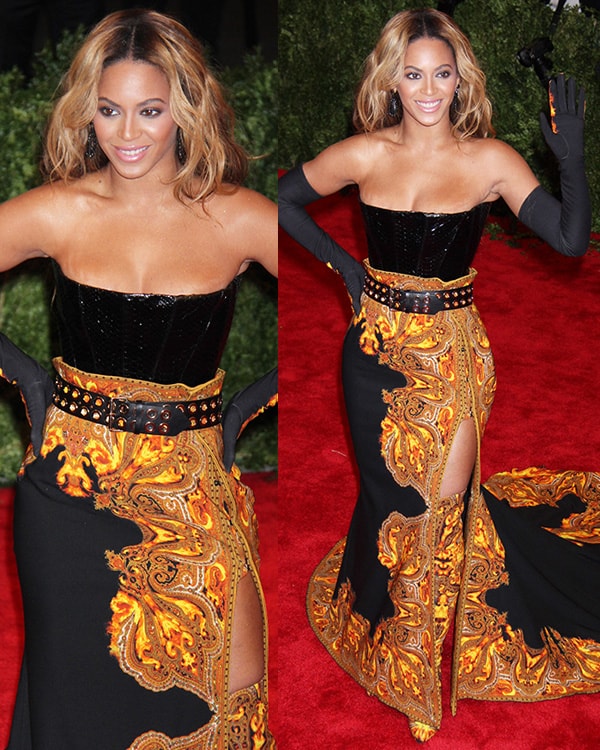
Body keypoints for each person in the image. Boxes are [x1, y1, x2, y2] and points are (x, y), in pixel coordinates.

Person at [279, 7, 599, 743]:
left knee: (440, 508)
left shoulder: (490, 162)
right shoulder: (363, 154)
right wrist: (349, 273)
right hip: (371, 355)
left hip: (453, 355)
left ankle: (417, 669)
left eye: (442, 74)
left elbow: (571, 242)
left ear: (462, 80)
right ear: (392, 78)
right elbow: (285, 201)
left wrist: (569, 160)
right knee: (393, 497)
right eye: (414, 74)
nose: (428, 89)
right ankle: (394, 632)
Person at [0, 8, 277, 748]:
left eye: (150, 111)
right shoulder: (59, 211)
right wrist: (25, 379)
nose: (127, 134)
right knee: (75, 696)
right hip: (68, 492)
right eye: (110, 110)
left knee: (232, 683)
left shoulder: (241, 218)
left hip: (192, 483)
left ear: (184, 109)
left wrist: (244, 409)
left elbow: (347, 303)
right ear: (87, 113)